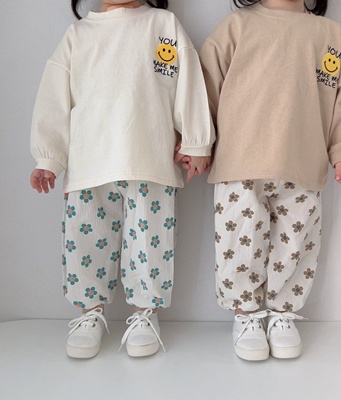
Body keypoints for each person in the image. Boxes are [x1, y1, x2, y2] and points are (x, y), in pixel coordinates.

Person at [30, 0, 215, 359]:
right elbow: (55, 98)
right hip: (89, 164)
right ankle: (89, 312)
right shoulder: (79, 35)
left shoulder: (164, 25)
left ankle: (146, 313)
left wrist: (196, 142)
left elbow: (188, 82)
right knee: (85, 242)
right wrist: (49, 157)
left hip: (150, 161)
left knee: (151, 244)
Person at [198, 0, 341, 361]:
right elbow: (205, 90)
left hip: (302, 162)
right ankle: (245, 313)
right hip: (240, 162)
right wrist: (198, 143)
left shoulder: (327, 33)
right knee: (239, 241)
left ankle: (282, 314)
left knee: (296, 243)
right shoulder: (236, 27)